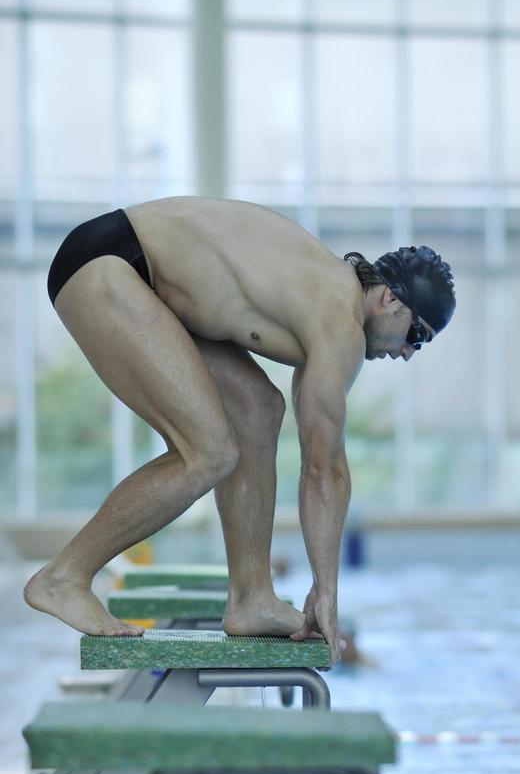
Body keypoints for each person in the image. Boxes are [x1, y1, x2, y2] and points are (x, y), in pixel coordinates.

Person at [25, 198, 456, 663]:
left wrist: (323, 584)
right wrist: (326, 592)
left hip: (140, 273)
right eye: (417, 335)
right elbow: (323, 469)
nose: (410, 354)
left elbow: (324, 462)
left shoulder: (326, 298)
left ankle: (252, 598)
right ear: (390, 298)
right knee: (207, 452)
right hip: (110, 267)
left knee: (257, 409)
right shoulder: (340, 326)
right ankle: (63, 577)